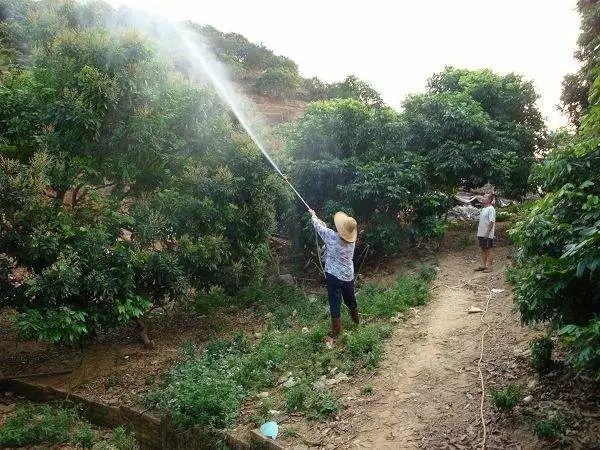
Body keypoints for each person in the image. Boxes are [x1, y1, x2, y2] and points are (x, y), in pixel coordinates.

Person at [309, 209, 359, 345]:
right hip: (348, 276)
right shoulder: (351, 242)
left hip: (333, 276)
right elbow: (327, 231)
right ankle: (357, 322)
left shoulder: (331, 236)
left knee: (335, 302)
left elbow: (318, 228)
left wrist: (313, 215)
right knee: (350, 300)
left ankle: (337, 332)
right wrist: (322, 223)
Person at [476, 194, 496, 272]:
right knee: (483, 249)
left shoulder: (491, 209)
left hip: (487, 233)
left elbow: (491, 221)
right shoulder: (484, 209)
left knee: (489, 249)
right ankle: (483, 265)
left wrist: (487, 232)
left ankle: (489, 267)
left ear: (489, 199)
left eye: (485, 197)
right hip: (481, 233)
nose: (483, 198)